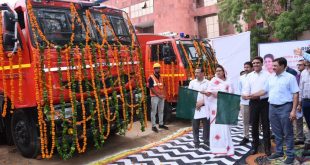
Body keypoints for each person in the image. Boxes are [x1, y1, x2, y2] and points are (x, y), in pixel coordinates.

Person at [250, 57, 299, 165]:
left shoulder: (290, 78)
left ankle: (290, 155)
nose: (273, 67)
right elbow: (264, 90)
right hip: (272, 107)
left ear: (282, 66)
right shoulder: (271, 77)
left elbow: (295, 94)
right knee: (276, 133)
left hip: (285, 107)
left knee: (288, 133)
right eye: (273, 65)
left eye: (275, 65)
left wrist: (293, 110)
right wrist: (251, 95)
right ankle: (279, 152)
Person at [242, 56, 271, 156]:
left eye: (257, 63)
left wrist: (253, 95)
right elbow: (246, 89)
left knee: (266, 125)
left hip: (265, 102)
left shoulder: (268, 75)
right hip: (253, 103)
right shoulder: (249, 76)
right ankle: (255, 146)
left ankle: (267, 148)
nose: (255, 65)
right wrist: (245, 95)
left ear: (262, 64)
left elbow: (266, 91)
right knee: (254, 125)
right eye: (253, 63)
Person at [204, 64, 234, 155]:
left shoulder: (229, 82)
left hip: (224, 107)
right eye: (217, 71)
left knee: (225, 128)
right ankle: (216, 148)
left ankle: (227, 147)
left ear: (224, 72)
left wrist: (217, 94)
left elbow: (231, 95)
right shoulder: (212, 81)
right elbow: (209, 93)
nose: (218, 72)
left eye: (220, 71)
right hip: (214, 108)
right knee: (215, 128)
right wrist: (207, 93)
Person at [188, 67, 210, 149]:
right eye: (195, 72)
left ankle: (206, 141)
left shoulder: (208, 82)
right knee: (195, 126)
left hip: (205, 107)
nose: (196, 74)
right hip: (195, 107)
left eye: (198, 72)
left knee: (206, 126)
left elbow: (210, 95)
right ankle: (196, 142)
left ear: (202, 73)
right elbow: (189, 94)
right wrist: (195, 103)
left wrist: (202, 102)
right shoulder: (192, 82)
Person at [148, 63, 168, 133]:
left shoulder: (161, 77)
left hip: (161, 96)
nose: (158, 69)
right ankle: (153, 126)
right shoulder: (151, 77)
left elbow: (163, 86)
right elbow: (151, 88)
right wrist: (158, 95)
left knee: (161, 111)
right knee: (154, 111)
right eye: (156, 68)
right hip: (154, 97)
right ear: (154, 69)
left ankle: (161, 124)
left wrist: (164, 95)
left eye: (158, 68)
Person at [238, 61, 253, 145]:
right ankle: (246, 137)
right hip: (244, 102)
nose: (246, 69)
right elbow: (239, 89)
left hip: (255, 102)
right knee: (245, 121)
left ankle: (256, 137)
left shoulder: (255, 76)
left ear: (252, 68)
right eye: (245, 67)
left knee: (255, 121)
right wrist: (242, 95)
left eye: (247, 67)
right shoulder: (241, 77)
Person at [298, 59, 310, 156]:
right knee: (308, 124)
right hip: (306, 102)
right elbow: (300, 88)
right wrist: (299, 103)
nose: (307, 61)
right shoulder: (304, 73)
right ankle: (308, 142)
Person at [294, 60, 306, 145]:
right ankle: (300, 138)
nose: (298, 66)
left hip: (306, 100)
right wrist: (298, 103)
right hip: (299, 100)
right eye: (298, 65)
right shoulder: (297, 76)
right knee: (298, 120)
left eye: (300, 65)